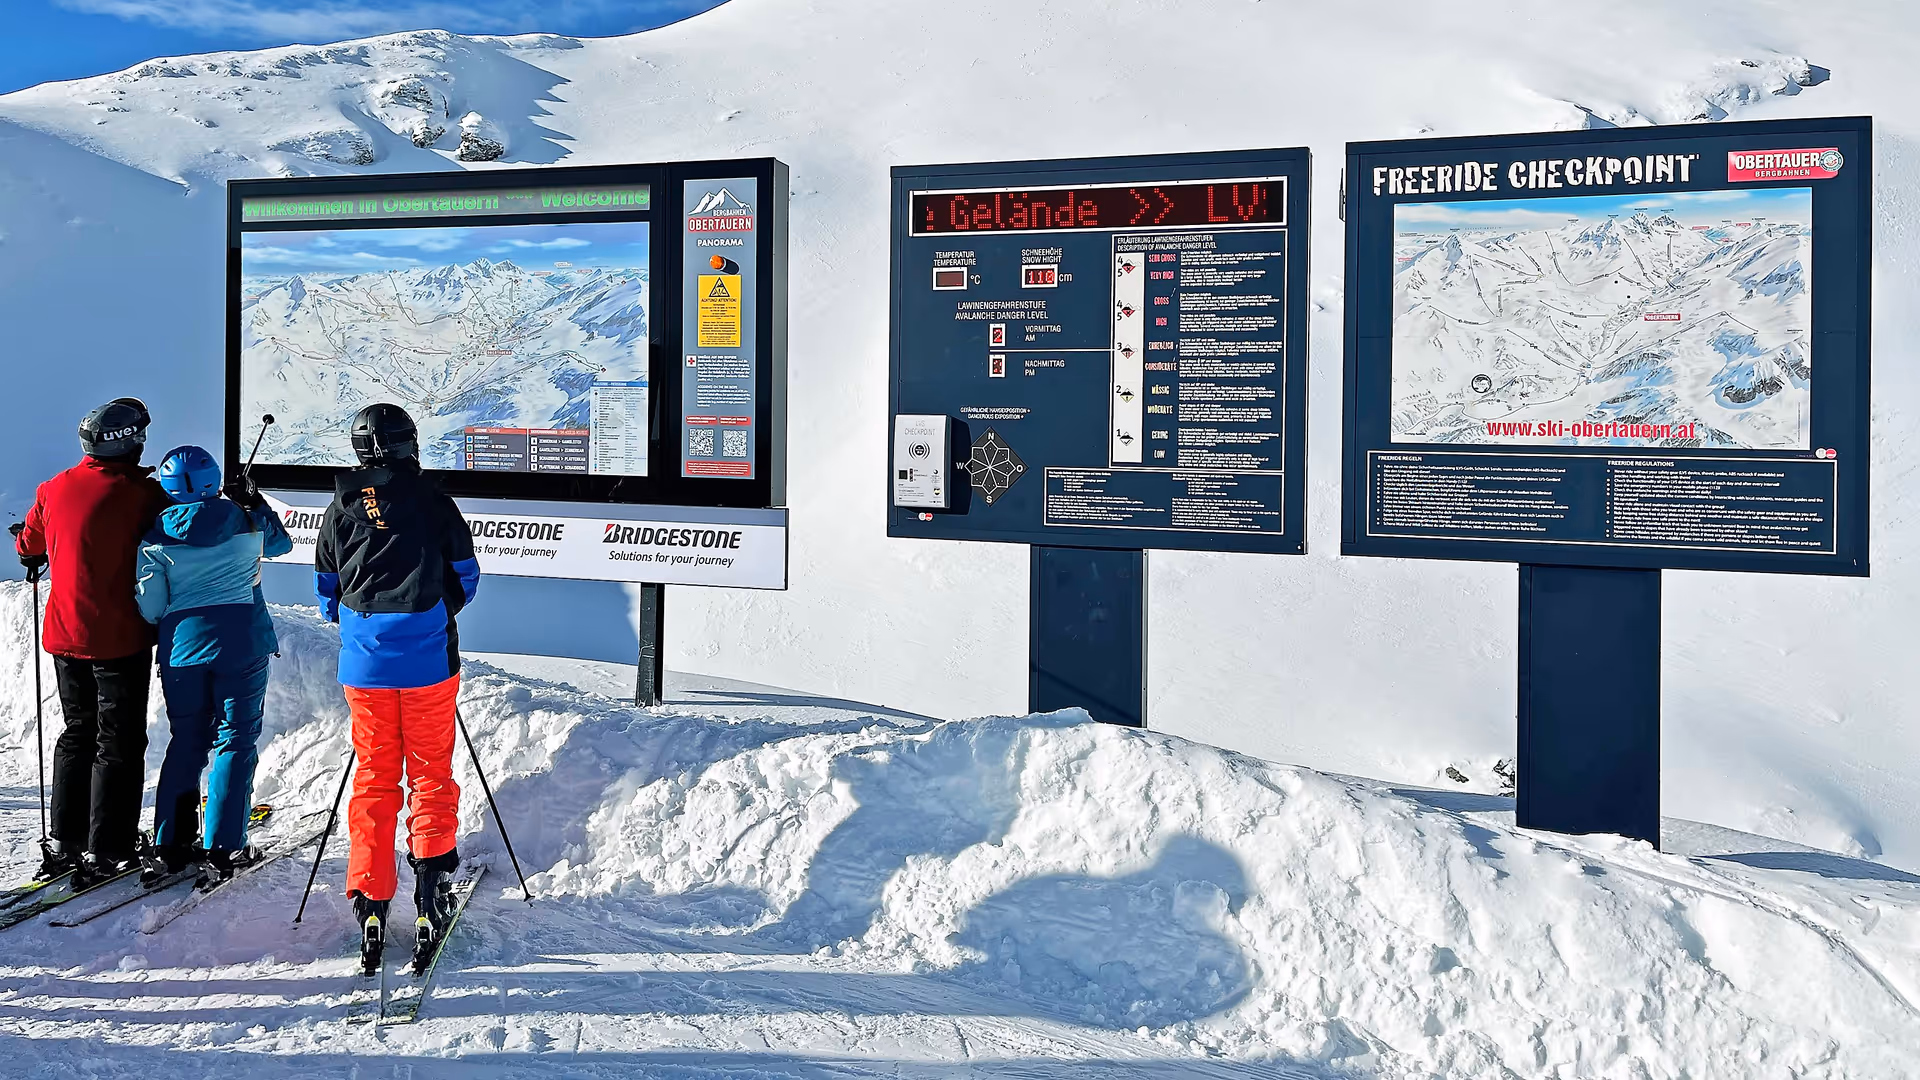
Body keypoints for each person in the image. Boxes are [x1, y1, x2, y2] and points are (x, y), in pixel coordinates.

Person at [314, 403, 479, 965]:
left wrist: (367, 632)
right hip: (430, 662)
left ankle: (370, 898)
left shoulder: (339, 507)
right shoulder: (434, 501)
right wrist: (434, 614)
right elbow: (465, 577)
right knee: (429, 773)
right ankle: (431, 890)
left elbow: (326, 593)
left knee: (375, 775)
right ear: (410, 443)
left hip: (365, 668)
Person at [12, 398, 170, 888]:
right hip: (118, 638)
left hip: (64, 635)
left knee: (77, 733)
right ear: (132, 441)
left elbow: (29, 546)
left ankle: (64, 838)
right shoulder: (145, 494)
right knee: (119, 741)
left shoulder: (54, 487)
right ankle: (110, 848)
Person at [134, 446, 292, 890]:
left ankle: (169, 844)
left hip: (182, 651)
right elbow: (281, 544)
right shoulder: (243, 517)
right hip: (243, 642)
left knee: (187, 740)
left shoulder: (155, 536)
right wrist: (254, 501)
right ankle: (225, 846)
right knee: (235, 740)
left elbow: (151, 606)